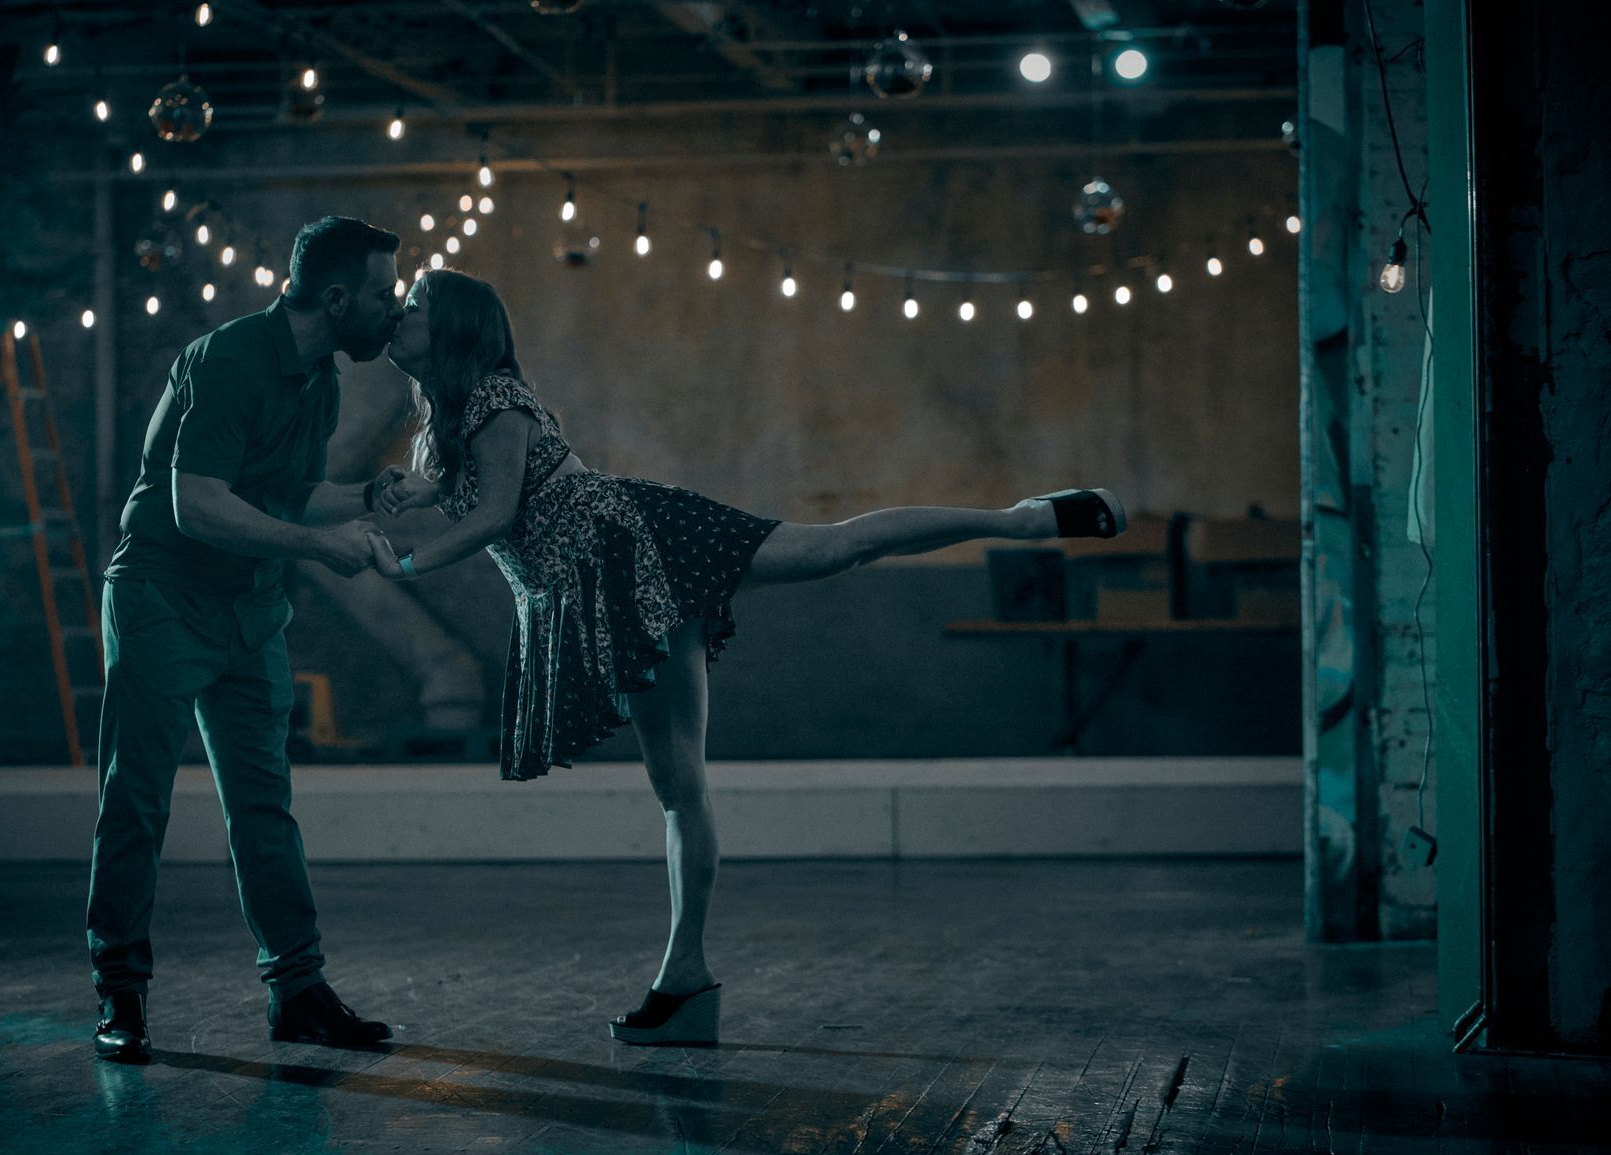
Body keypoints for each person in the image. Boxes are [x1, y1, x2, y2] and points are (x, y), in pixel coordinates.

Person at [364, 268, 1127, 1047]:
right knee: (683, 780)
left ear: (453, 328)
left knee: (831, 556)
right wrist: (421, 492)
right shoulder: (463, 415)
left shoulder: (492, 398)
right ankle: (685, 979)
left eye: (415, 306)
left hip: (635, 557)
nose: (399, 314)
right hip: (624, 568)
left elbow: (494, 514)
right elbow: (493, 494)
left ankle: (1023, 520)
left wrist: (411, 564)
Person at [85, 215, 412, 1063]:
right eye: (383, 295)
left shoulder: (320, 382)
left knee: (263, 808)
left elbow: (292, 496)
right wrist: (318, 547)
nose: (394, 309)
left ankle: (298, 991)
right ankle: (120, 993)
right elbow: (199, 505)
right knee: (137, 802)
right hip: (162, 596)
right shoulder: (228, 359)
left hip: (248, 612)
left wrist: (374, 496)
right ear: (336, 299)